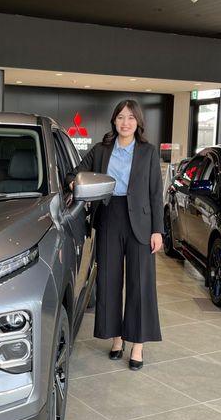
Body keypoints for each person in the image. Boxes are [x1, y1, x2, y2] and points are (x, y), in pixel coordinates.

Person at [68, 99, 164, 370]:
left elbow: (156, 193)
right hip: (109, 216)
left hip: (141, 223)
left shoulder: (148, 151)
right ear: (113, 120)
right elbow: (74, 174)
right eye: (121, 117)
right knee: (109, 282)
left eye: (131, 118)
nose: (125, 122)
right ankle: (117, 339)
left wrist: (158, 230)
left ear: (138, 122)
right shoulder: (101, 150)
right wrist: (73, 184)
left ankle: (138, 345)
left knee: (140, 283)